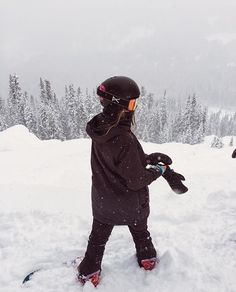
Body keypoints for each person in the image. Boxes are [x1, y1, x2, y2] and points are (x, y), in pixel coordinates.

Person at [77, 76, 188, 287]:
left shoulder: (101, 129)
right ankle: (147, 259)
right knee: (140, 233)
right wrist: (159, 170)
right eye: (131, 103)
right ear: (119, 104)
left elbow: (119, 161)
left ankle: (89, 271)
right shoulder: (123, 138)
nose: (134, 108)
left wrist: (147, 158)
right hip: (131, 204)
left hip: (103, 202)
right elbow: (136, 180)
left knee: (97, 241)